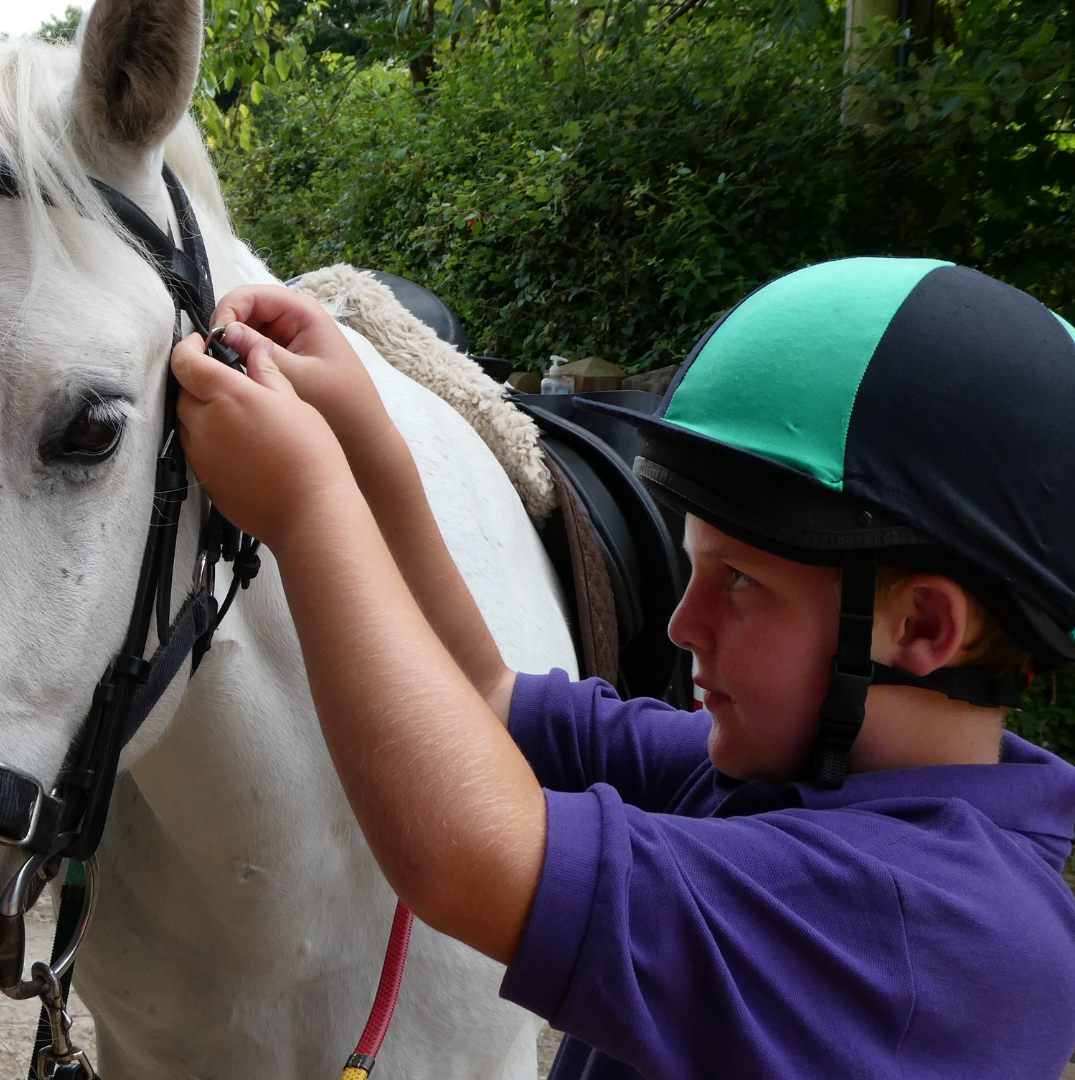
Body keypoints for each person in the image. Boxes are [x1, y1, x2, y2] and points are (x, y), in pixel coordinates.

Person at [169, 257, 1075, 1079]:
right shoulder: (784, 775)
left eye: (741, 583)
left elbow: (463, 856)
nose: (684, 624)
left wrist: (307, 506)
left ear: (921, 626)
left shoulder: (932, 933)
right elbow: (486, 694)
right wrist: (364, 436)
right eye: (695, 569)